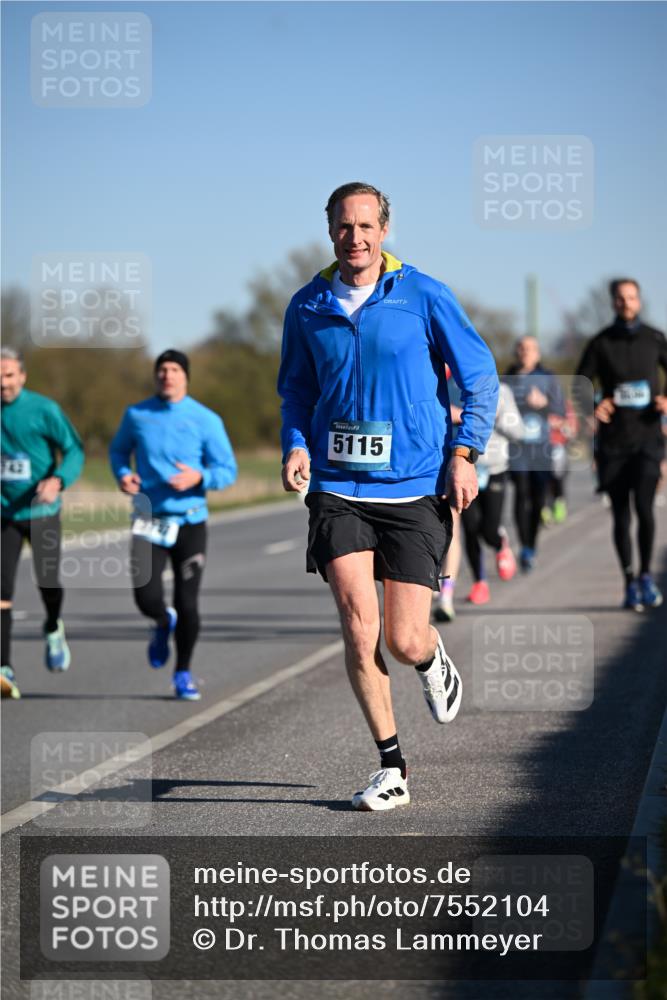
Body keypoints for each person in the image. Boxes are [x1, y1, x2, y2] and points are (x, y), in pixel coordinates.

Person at [278, 182, 498, 811]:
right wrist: (296, 444)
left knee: (404, 639)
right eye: (345, 226)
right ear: (330, 230)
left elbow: (480, 378)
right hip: (337, 486)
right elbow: (296, 390)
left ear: (385, 230)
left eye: (367, 226)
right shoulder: (307, 305)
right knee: (357, 627)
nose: (356, 237)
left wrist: (464, 453)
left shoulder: (423, 295)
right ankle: (391, 766)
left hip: (415, 485)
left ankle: (430, 658)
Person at [109, 349, 237, 699]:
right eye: (162, 369)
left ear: (185, 376)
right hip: (148, 519)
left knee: (188, 603)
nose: (167, 375)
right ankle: (162, 621)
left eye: (174, 370)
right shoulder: (137, 415)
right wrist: (123, 475)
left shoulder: (206, 419)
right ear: (156, 376)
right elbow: (118, 451)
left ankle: (182, 673)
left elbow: (228, 471)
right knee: (145, 598)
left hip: (190, 521)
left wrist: (200, 477)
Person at [576, 278, 667, 610]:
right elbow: (580, 383)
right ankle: (629, 581)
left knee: (644, 508)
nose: (626, 303)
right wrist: (593, 406)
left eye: (631, 297)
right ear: (613, 302)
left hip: (648, 439)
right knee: (621, 515)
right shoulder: (601, 342)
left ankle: (646, 577)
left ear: (639, 301)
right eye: (620, 298)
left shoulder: (654, 338)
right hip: (613, 443)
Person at [1, 347, 84, 699]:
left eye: (8, 375)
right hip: (4, 514)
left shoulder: (43, 409)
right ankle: (4, 668)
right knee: (1, 591)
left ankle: (52, 626)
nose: (3, 383)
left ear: (22, 376)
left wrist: (58, 481)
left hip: (42, 511)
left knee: (48, 582)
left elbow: (74, 449)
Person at [504, 336, 565, 571]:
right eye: (521, 348)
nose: (525, 352)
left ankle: (531, 545)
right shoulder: (507, 377)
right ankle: (523, 547)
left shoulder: (547, 377)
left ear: (537, 353)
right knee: (521, 493)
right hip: (516, 447)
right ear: (516, 352)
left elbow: (560, 409)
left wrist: (544, 403)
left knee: (538, 497)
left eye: (530, 349)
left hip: (541, 447)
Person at [461, 381, 524, 604]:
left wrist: (497, 418)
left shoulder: (502, 391)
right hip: (463, 468)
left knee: (488, 530)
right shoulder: (451, 386)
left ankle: (499, 543)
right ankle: (480, 583)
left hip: (494, 469)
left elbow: (519, 431)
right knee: (470, 528)